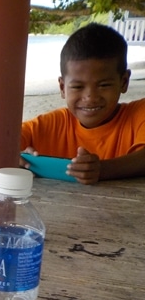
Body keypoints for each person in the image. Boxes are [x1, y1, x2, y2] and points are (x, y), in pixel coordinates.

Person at [21, 23, 145, 184]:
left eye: (104, 85)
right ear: (62, 87)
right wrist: (12, 158)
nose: (90, 97)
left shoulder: (138, 114)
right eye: (78, 87)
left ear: (124, 82)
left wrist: (102, 169)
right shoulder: (49, 125)